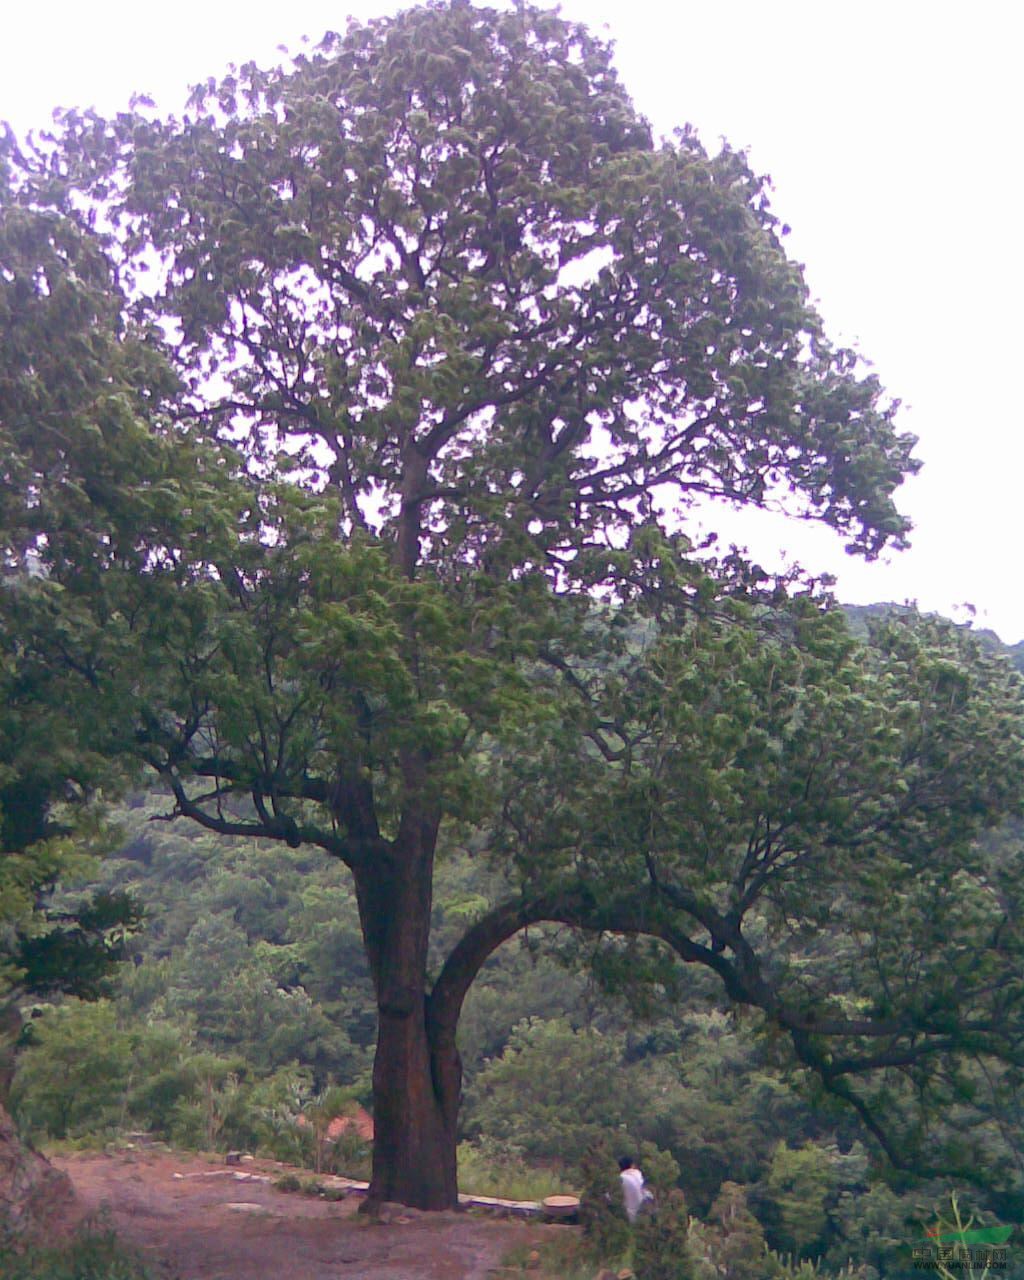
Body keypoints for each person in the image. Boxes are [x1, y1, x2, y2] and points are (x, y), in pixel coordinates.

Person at [618, 1155, 652, 1222]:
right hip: (643, 1215)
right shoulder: (638, 1175)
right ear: (632, 1165)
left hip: (627, 1217)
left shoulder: (621, 1179)